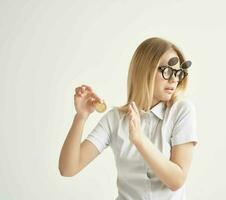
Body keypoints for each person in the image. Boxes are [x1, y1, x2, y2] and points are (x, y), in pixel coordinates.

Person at [59, 37, 199, 200]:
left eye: (178, 72)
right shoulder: (114, 119)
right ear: (145, 70)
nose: (174, 79)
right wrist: (80, 117)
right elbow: (68, 169)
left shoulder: (182, 111)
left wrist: (139, 140)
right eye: (167, 70)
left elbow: (176, 180)